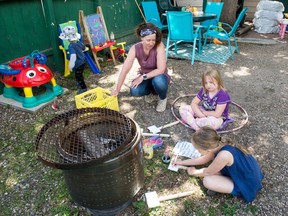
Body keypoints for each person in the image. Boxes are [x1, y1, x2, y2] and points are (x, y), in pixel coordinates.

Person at [173, 126, 264, 203]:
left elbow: (208, 172)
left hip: (247, 183)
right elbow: (203, 159)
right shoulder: (218, 144)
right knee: (214, 171)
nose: (197, 151)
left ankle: (236, 188)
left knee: (208, 181)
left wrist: (194, 172)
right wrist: (182, 162)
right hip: (248, 173)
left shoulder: (223, 155)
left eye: (197, 149)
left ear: (207, 150)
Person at [111, 22, 170, 112]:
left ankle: (163, 98)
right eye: (148, 40)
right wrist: (117, 90)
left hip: (159, 75)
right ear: (141, 38)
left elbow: (161, 69)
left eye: (153, 40)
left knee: (159, 82)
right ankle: (150, 92)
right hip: (145, 76)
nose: (151, 43)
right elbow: (125, 70)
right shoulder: (134, 48)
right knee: (134, 90)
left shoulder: (159, 45)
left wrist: (143, 77)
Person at [59, 26, 87, 94]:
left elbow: (73, 56)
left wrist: (71, 65)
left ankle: (84, 88)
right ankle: (79, 82)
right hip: (83, 62)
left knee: (78, 75)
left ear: (68, 39)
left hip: (78, 64)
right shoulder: (79, 43)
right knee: (78, 74)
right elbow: (84, 48)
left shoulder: (71, 46)